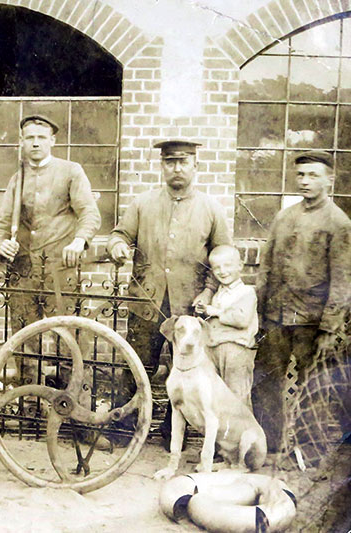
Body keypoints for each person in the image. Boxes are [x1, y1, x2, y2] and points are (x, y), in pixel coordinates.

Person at [107, 139, 232, 447]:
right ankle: (123, 428)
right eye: (170, 162)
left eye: (183, 162)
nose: (177, 168)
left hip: (189, 306)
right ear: (162, 166)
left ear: (195, 166)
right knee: (137, 365)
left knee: (187, 369)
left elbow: (224, 253)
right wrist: (118, 247)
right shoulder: (143, 203)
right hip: (146, 301)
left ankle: (172, 432)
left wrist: (209, 291)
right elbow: (119, 235)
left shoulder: (211, 208)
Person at [253, 150, 351, 458]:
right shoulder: (285, 217)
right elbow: (266, 266)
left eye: (313, 175)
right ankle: (268, 445)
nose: (305, 181)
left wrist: (329, 328)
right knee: (265, 380)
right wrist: (260, 310)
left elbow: (342, 281)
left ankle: (310, 450)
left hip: (312, 322)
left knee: (315, 388)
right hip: (277, 319)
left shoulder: (338, 223)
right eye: (301, 175)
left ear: (328, 180)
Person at [0, 115, 101, 385]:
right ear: (22, 142)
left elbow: (89, 213)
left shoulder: (71, 171)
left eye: (42, 137)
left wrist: (78, 241)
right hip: (24, 270)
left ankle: (72, 402)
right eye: (30, 137)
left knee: (69, 337)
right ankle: (30, 400)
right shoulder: (18, 179)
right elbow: (1, 225)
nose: (36, 143)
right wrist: (0, 244)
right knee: (24, 337)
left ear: (52, 141)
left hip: (60, 269)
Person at [196, 245, 258, 408]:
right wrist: (204, 313)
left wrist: (215, 311)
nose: (222, 271)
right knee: (216, 395)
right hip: (215, 349)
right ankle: (220, 432)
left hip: (236, 352)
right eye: (217, 268)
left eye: (227, 265)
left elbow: (241, 319)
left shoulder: (246, 292)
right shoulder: (219, 293)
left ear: (240, 266)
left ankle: (243, 432)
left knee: (237, 396)